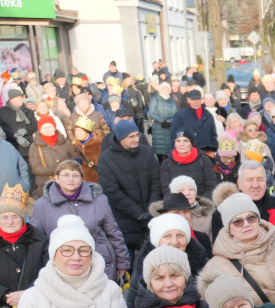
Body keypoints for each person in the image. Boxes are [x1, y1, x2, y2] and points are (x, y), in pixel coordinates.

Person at [31, 159, 130, 279]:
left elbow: (113, 232)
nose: (71, 179)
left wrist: (122, 263)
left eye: (75, 175)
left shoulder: (99, 200)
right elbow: (37, 240)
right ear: (56, 178)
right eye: (66, 175)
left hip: (99, 261)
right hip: (62, 264)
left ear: (81, 178)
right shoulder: (42, 205)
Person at [199, 190, 275, 308]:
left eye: (251, 218)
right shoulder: (216, 266)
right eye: (238, 221)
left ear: (258, 219)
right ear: (229, 229)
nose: (246, 224)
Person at [210, 160, 275, 256]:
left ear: (266, 182)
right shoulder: (222, 214)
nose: (255, 185)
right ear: (239, 184)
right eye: (249, 180)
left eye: (260, 179)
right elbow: (220, 251)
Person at [98, 118, 163, 257]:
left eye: (137, 135)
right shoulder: (106, 160)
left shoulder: (146, 152)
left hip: (151, 219)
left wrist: (151, 209)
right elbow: (112, 192)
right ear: (121, 138)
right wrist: (138, 213)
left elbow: (156, 182)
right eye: (131, 136)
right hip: (125, 222)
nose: (136, 139)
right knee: (130, 266)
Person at [159, 129, 218, 199]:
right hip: (176, 205)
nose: (181, 144)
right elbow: (166, 189)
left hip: (200, 205)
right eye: (178, 141)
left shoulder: (203, 160)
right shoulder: (166, 163)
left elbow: (211, 186)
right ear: (174, 144)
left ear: (191, 143)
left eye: (185, 141)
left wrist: (199, 203)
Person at [28, 115, 76, 197]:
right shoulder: (35, 146)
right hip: (46, 185)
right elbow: (35, 168)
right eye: (44, 127)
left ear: (54, 127)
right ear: (40, 129)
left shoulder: (65, 142)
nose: (48, 130)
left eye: (50, 126)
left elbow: (75, 158)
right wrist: (57, 170)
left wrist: (69, 169)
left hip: (68, 183)